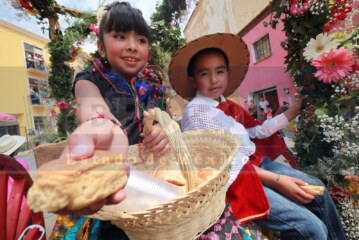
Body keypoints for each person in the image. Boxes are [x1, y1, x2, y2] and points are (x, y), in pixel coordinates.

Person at [50, 3, 253, 240]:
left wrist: (165, 130)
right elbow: (91, 106)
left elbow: (161, 121)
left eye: (141, 40)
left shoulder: (154, 84)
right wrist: (102, 125)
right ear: (101, 48)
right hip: (117, 188)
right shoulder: (91, 80)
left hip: (155, 179)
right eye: (119, 36)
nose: (132, 46)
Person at [169, 33, 346, 240]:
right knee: (310, 227)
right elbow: (222, 165)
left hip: (260, 164)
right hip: (237, 181)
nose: (214, 79)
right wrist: (278, 181)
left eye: (219, 71)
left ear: (227, 73)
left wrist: (291, 112)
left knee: (319, 191)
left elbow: (258, 131)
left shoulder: (229, 105)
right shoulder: (196, 112)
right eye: (204, 74)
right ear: (193, 79)